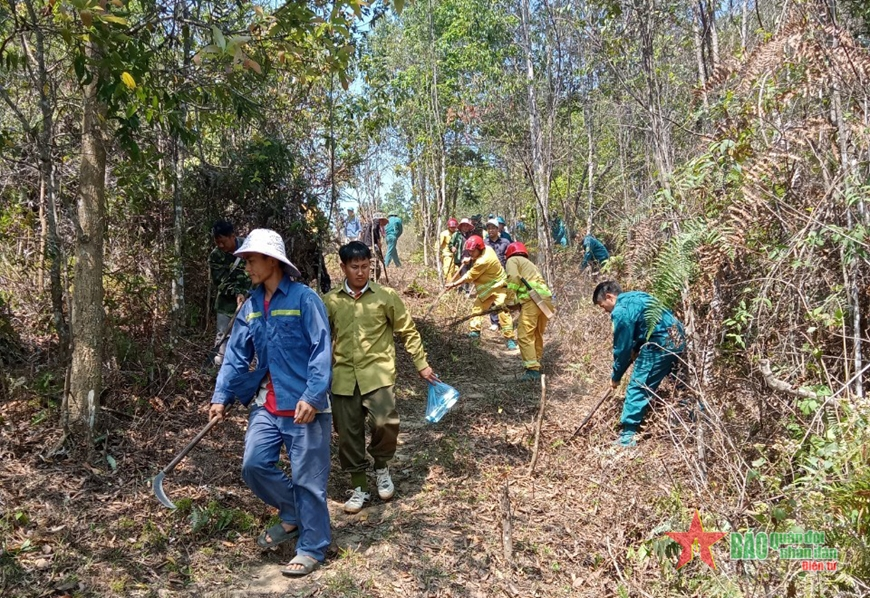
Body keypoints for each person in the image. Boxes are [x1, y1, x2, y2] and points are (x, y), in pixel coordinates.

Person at [209, 229, 333, 577]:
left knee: (308, 480)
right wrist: (221, 396)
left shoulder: (304, 299)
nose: (247, 267)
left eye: (251, 260)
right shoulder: (250, 306)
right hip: (267, 403)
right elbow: (236, 356)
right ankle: (294, 512)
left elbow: (322, 350)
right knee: (254, 465)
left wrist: (313, 396)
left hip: (305, 405)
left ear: (272, 261)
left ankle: (311, 548)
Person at [324, 241, 438, 513]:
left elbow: (407, 330)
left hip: (378, 374)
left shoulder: (385, 297)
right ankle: (359, 486)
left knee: (385, 422)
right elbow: (319, 338)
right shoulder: (330, 301)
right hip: (343, 377)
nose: (360, 272)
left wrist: (421, 364)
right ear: (343, 267)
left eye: (365, 266)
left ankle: (381, 466)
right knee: (347, 433)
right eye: (355, 267)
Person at [592, 281, 686, 447]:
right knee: (681, 383)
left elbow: (622, 349)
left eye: (602, 305)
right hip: (678, 336)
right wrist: (636, 348)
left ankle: (627, 436)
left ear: (609, 297)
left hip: (660, 344)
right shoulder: (637, 296)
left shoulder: (620, 311)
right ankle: (696, 418)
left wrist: (616, 376)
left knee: (638, 385)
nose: (604, 310)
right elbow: (645, 325)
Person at [445, 235, 518, 350]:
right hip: (487, 290)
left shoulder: (483, 261)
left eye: (472, 251)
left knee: (503, 313)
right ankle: (475, 333)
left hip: (500, 287)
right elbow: (476, 257)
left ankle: (510, 339)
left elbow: (469, 277)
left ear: (479, 249)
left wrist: (453, 284)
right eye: (469, 251)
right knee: (477, 309)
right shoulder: (487, 249)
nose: (470, 253)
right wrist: (470, 258)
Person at [505, 242, 554, 382]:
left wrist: (509, 300)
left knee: (525, 334)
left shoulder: (512, 260)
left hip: (532, 300)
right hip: (545, 300)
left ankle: (532, 369)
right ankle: (536, 362)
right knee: (537, 333)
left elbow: (513, 278)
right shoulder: (530, 264)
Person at [208, 220, 251, 366]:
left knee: (251, 337)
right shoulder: (216, 256)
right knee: (223, 338)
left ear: (232, 236)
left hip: (252, 303)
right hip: (226, 305)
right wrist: (237, 293)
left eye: (223, 241)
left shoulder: (249, 248)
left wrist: (248, 293)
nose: (220, 245)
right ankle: (220, 369)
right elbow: (220, 282)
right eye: (217, 242)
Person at [484, 219, 510, 331]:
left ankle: (505, 322)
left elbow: (510, 256)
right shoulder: (484, 243)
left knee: (503, 298)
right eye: (489, 228)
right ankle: (494, 321)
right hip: (489, 274)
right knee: (492, 298)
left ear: (497, 229)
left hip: (503, 274)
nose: (490, 230)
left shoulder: (505, 242)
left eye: (493, 228)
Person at [361, 213, 389, 282]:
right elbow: (374, 229)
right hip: (369, 246)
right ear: (380, 219)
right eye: (382, 221)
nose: (383, 224)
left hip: (366, 246)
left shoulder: (369, 225)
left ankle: (372, 279)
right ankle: (372, 280)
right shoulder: (375, 222)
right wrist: (378, 240)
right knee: (374, 263)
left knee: (374, 263)